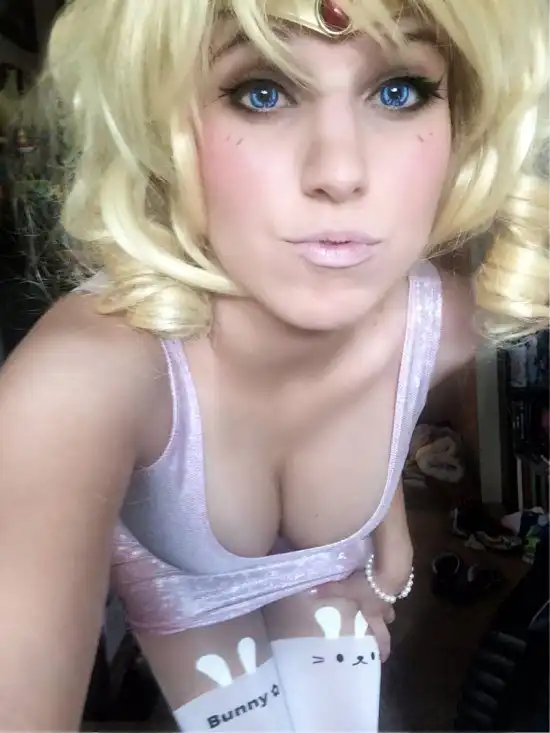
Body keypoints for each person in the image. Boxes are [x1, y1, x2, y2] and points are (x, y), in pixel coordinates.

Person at [0, 0, 548, 730]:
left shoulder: (446, 325)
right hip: (190, 598)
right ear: (163, 122)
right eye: (262, 91)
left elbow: (388, 394)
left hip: (325, 581)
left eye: (399, 91)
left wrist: (391, 542)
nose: (340, 172)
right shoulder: (81, 382)